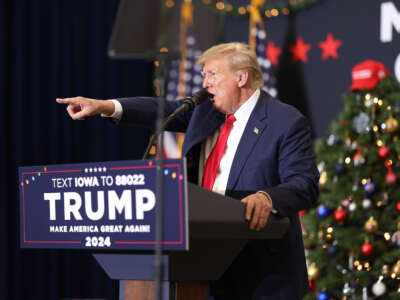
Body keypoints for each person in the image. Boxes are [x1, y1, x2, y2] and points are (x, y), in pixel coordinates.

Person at [57, 42, 319, 299]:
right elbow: (161, 110)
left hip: (261, 272)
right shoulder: (206, 112)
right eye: (204, 75)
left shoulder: (284, 121)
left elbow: (304, 183)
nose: (205, 84)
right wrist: (105, 106)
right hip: (204, 264)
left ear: (241, 77)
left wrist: (268, 198)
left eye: (213, 74)